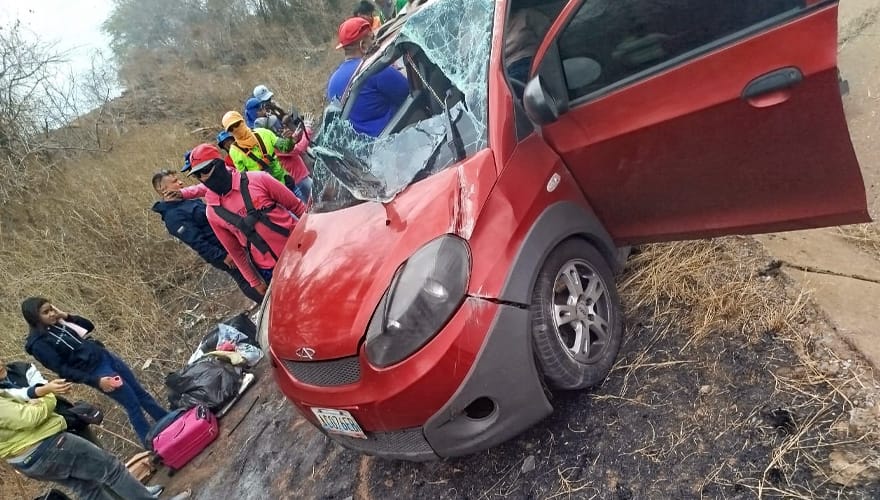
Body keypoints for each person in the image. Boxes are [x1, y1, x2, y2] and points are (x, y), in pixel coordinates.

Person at [22, 298, 169, 446]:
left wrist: (65, 315)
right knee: (132, 404)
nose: (52, 314)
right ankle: (151, 444)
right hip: (97, 372)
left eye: (51, 309)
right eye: (46, 312)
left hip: (106, 357)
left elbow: (88, 326)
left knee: (141, 394)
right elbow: (64, 370)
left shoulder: (57, 323)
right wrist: (97, 381)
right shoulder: (38, 344)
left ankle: (168, 421)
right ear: (34, 317)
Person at [0, 391, 171, 499]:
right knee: (111, 470)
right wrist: (47, 396)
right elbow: (29, 417)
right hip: (45, 447)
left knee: (87, 489)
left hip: (24, 461)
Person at [187, 143, 307, 293]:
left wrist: (316, 232)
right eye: (197, 175)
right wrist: (254, 281)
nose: (203, 178)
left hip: (300, 247)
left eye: (205, 170)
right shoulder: (213, 212)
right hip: (271, 269)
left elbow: (297, 207)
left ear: (219, 164)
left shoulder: (259, 180)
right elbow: (236, 251)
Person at [151, 170, 264, 303]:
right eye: (174, 182)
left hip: (230, 241)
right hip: (221, 251)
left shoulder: (185, 201)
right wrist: (221, 256)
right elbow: (197, 242)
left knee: (254, 271)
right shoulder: (173, 216)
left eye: (178, 179)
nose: (180, 183)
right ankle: (267, 302)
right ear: (162, 189)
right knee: (245, 278)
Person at [327, 17, 409, 137]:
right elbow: (408, 92)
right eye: (373, 38)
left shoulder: (332, 83)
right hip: (399, 134)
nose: (377, 42)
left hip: (367, 152)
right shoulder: (374, 68)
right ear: (363, 45)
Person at [0, 359, 102, 446]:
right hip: (45, 434)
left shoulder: (21, 367)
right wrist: (44, 391)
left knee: (100, 452)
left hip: (67, 415)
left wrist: (41, 393)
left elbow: (40, 383)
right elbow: (20, 395)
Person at [221, 110, 309, 202]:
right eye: (231, 129)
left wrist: (290, 140)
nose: (235, 129)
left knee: (304, 210)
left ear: (242, 121)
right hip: (271, 194)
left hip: (286, 183)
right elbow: (244, 178)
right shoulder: (234, 151)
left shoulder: (263, 133)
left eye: (237, 124)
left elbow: (285, 147)